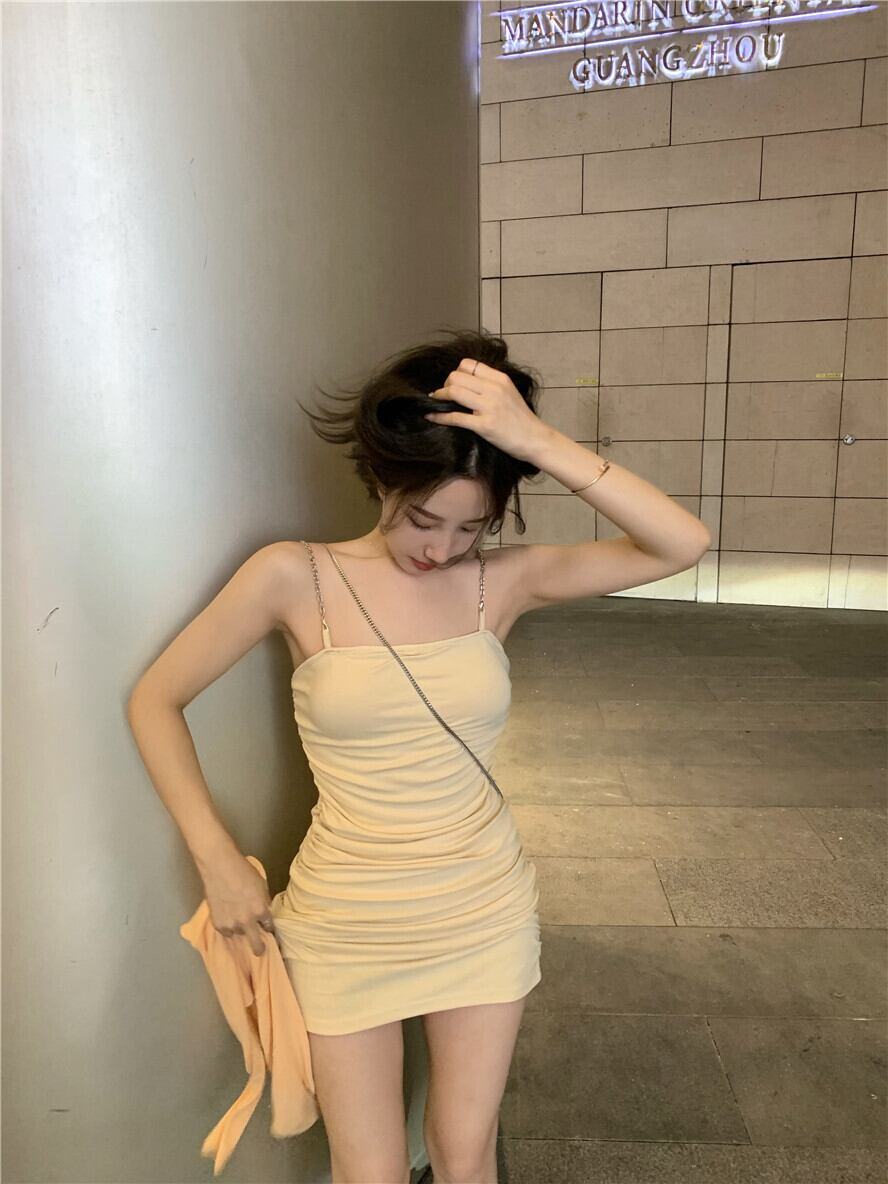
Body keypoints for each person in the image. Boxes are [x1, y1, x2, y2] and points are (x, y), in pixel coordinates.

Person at [127, 328, 710, 1184]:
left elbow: (680, 543)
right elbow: (155, 700)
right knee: (369, 1170)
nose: (441, 549)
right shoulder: (293, 576)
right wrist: (217, 860)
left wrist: (537, 441)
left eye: (472, 526)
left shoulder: (502, 582)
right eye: (423, 518)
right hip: (347, 918)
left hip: (482, 905)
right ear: (382, 479)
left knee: (465, 1157)